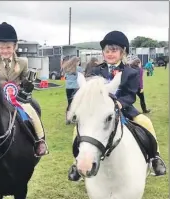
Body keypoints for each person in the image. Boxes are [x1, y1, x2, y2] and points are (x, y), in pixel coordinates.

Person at [68, 30, 166, 181]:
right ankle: (76, 162)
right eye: (107, 50)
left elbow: (131, 94)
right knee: (78, 130)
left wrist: (120, 103)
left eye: (114, 50)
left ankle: (155, 158)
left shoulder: (131, 72)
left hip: (124, 108)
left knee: (146, 122)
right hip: (100, 111)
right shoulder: (96, 70)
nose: (110, 54)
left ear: (123, 52)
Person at [0, 22, 48, 157]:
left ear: (15, 46)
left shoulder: (22, 62)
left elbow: (25, 78)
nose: (5, 51)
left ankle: (40, 140)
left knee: (32, 111)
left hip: (17, 98)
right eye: (1, 48)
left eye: (8, 47)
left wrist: (27, 84)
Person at [63, 56, 83, 124]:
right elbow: (82, 77)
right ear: (76, 62)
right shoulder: (79, 69)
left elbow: (65, 77)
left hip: (68, 87)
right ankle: (75, 118)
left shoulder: (66, 68)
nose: (79, 63)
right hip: (76, 87)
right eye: (78, 62)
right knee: (76, 103)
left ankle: (68, 119)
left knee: (69, 103)